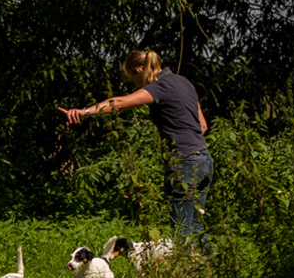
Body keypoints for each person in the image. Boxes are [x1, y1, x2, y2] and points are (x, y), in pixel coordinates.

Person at [58, 49, 213, 252]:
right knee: (197, 227)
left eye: (133, 79)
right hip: (204, 160)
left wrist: (84, 112)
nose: (136, 85)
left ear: (139, 69)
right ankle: (218, 270)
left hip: (184, 163)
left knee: (181, 232)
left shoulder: (161, 86)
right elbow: (202, 126)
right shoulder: (184, 83)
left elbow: (120, 103)